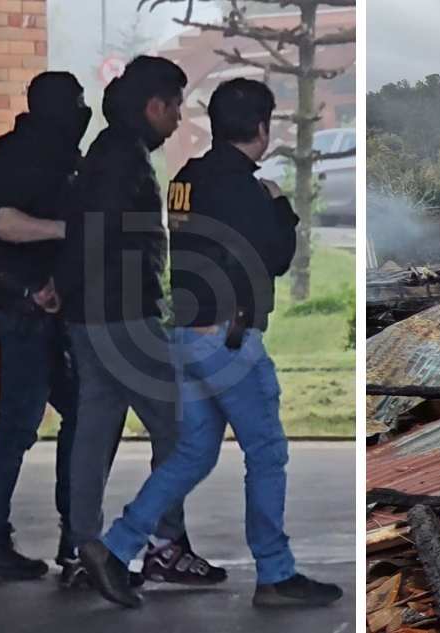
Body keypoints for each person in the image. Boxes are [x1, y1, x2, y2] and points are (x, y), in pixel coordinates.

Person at [79, 77, 342, 609]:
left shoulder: (186, 178)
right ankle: (275, 573)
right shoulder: (243, 187)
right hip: (229, 338)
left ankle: (114, 548)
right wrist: (281, 206)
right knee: (266, 452)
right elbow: (275, 257)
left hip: (186, 334)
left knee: (193, 453)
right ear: (263, 129)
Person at [54, 56, 225, 587]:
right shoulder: (123, 159)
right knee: (180, 430)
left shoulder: (107, 152)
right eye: (175, 106)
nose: (178, 117)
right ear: (154, 106)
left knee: (94, 428)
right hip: (124, 316)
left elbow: (84, 232)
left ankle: (87, 545)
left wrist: (63, 288)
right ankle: (164, 546)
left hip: (92, 317)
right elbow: (99, 233)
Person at [0, 72, 86, 582]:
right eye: (76, 103)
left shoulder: (56, 153)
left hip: (50, 309)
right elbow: (3, 223)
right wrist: (66, 233)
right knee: (18, 426)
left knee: (79, 414)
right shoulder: (16, 153)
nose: (83, 112)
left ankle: (74, 535)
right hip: (25, 311)